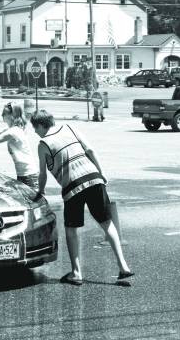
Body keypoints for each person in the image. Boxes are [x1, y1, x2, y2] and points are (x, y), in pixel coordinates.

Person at [30, 109, 133, 285]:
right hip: (94, 178)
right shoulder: (69, 127)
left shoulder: (43, 144)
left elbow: (42, 174)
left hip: (72, 187)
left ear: (40, 125)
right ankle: (123, 267)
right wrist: (101, 173)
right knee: (107, 223)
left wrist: (40, 191)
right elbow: (90, 150)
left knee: (71, 230)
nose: (34, 132)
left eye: (35, 128)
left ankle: (76, 273)